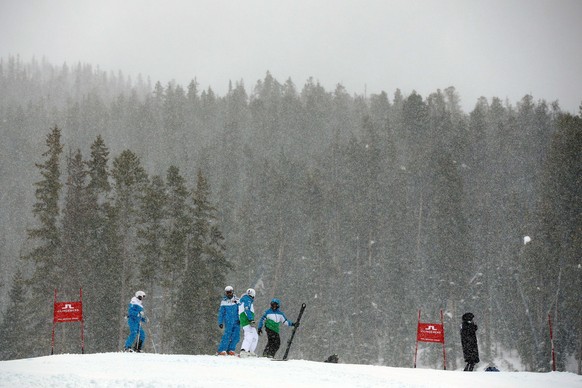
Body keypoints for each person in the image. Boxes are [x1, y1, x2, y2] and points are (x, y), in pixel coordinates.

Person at [217, 286, 240, 355]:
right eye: (227, 293)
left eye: (230, 292)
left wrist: (240, 318)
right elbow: (221, 313)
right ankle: (222, 350)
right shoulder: (224, 301)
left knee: (236, 336)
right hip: (228, 321)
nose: (229, 294)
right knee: (227, 335)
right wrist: (220, 322)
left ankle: (231, 349)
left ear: (232, 292)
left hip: (236, 321)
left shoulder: (237, 300)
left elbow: (240, 310)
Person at [238, 288, 258, 357]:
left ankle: (250, 351)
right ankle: (243, 350)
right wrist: (251, 319)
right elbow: (247, 309)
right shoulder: (247, 300)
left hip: (244, 318)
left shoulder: (245, 299)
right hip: (246, 319)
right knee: (249, 334)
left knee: (254, 335)